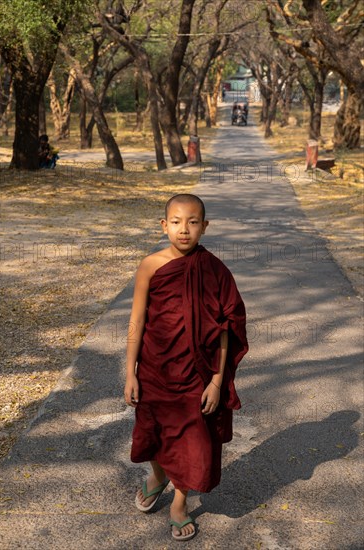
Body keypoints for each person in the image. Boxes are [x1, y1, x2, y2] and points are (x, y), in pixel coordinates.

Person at [124, 193, 248, 541]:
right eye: (176, 222)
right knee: (152, 432)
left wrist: (217, 381)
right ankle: (158, 476)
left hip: (197, 373)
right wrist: (130, 371)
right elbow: (136, 319)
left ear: (204, 227)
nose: (184, 230)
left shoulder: (215, 270)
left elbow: (225, 328)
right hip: (153, 368)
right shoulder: (151, 265)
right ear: (164, 225)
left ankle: (179, 504)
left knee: (194, 442)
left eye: (193, 222)